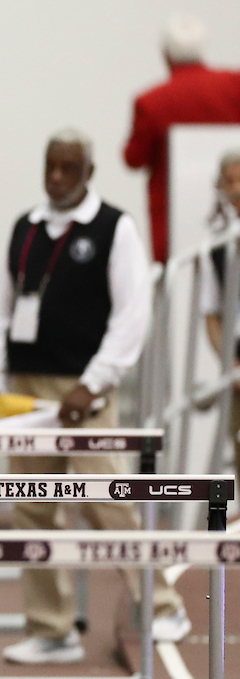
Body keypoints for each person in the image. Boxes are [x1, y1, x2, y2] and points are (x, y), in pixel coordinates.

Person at [0, 129, 190, 664]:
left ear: (88, 173)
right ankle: (52, 629)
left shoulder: (113, 228)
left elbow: (132, 317)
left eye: (68, 169)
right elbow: (1, 309)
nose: (56, 178)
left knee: (106, 499)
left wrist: (94, 381)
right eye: (50, 167)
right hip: (27, 391)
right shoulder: (24, 228)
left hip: (82, 390)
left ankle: (164, 605)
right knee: (33, 510)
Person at [123, 14, 240, 264]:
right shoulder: (234, 86)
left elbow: (134, 158)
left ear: (165, 53)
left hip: (174, 220)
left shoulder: (151, 102)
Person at [200, 149, 240, 484]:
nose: (237, 188)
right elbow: (211, 315)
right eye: (229, 181)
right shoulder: (218, 249)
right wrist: (228, 363)